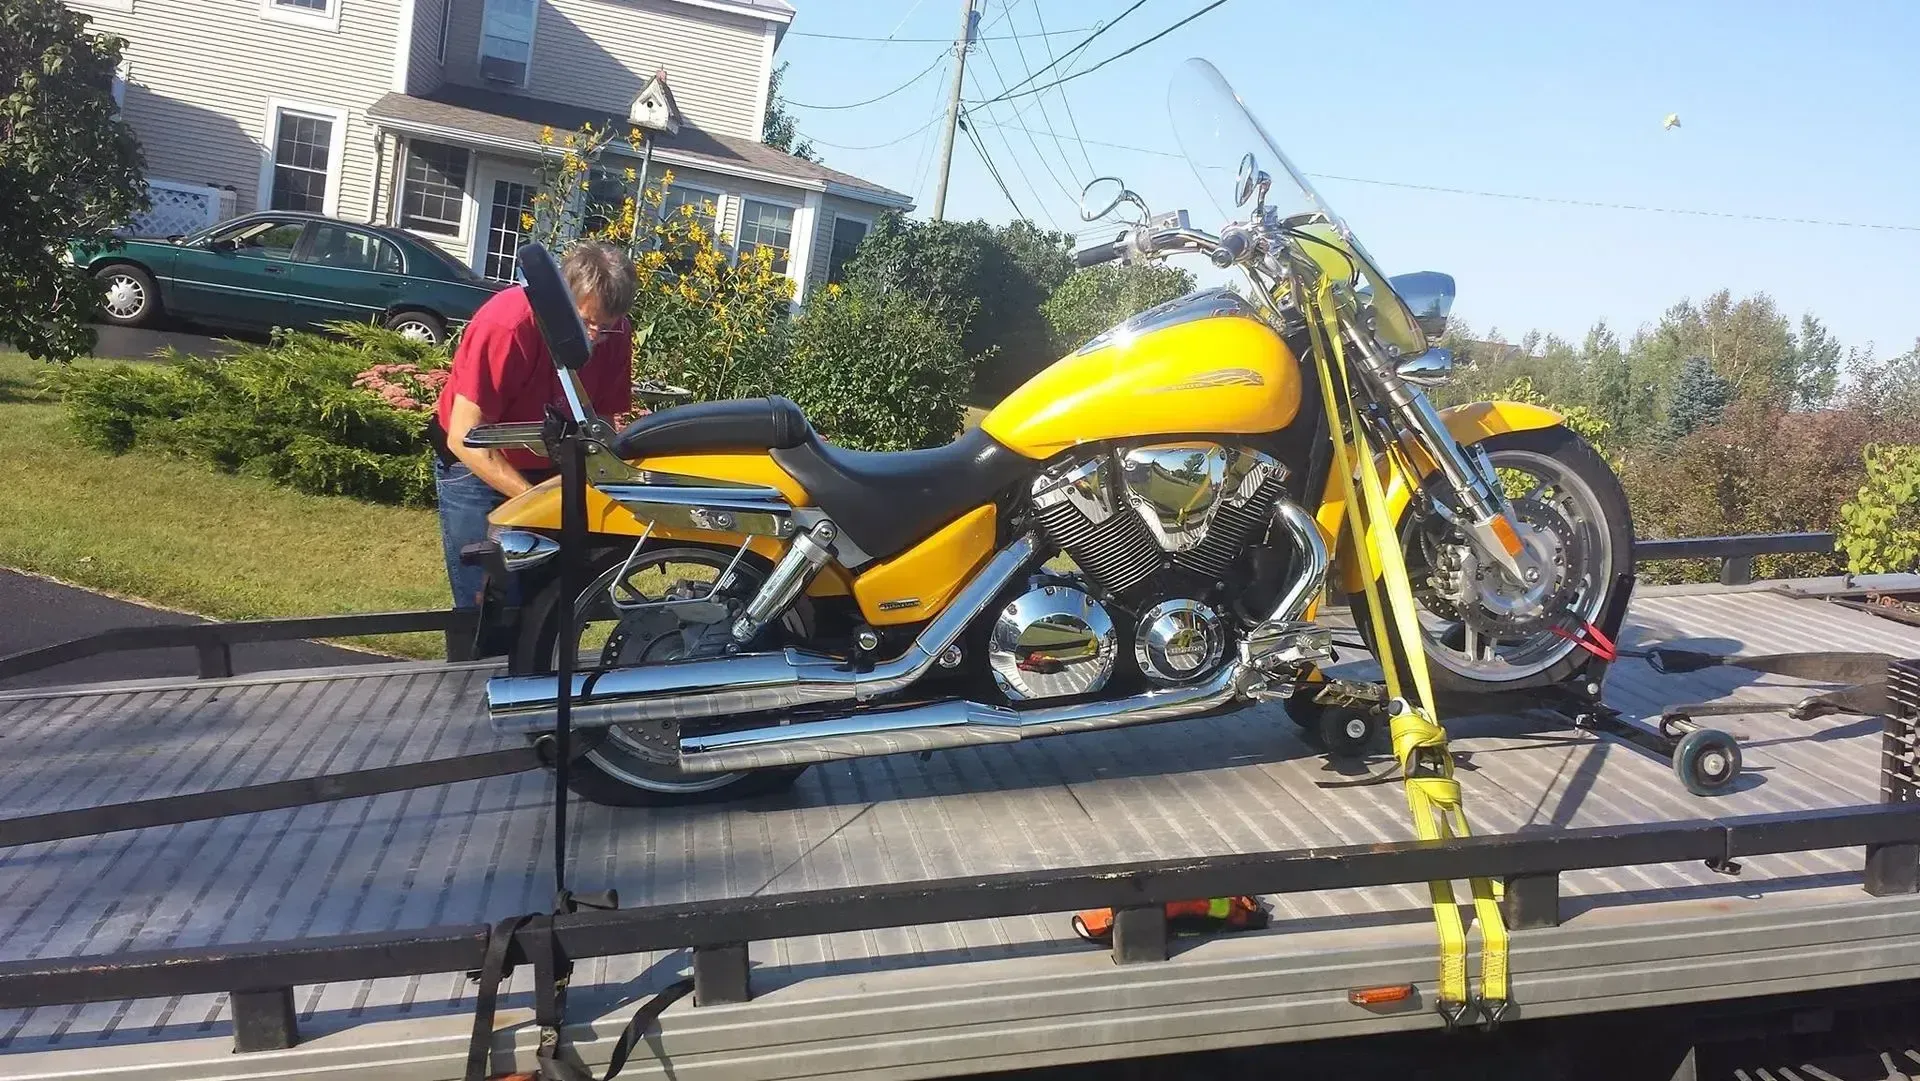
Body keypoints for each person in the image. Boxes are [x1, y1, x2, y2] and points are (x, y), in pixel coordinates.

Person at [432, 241, 637, 607]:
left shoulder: (617, 334)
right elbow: (464, 436)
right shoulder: (508, 324)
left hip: (551, 463)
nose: (594, 337)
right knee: (484, 603)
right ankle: (477, 662)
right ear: (561, 301)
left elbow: (600, 421)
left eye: (605, 327)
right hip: (476, 469)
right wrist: (539, 504)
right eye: (586, 322)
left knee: (542, 606)